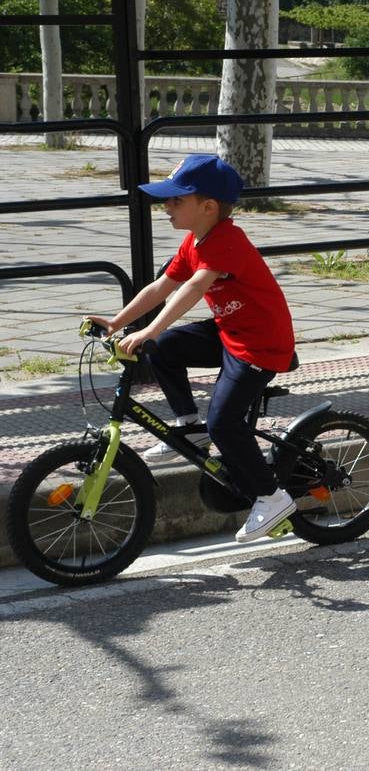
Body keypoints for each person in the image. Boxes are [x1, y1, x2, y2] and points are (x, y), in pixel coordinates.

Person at [88, 154, 299, 543]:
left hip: (259, 343)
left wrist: (148, 329)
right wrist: (118, 322)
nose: (166, 206)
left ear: (208, 207)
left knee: (224, 421)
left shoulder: (227, 241)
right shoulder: (194, 241)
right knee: (164, 348)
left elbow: (192, 289)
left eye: (175, 200)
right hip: (229, 331)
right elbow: (159, 287)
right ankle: (190, 426)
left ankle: (271, 498)